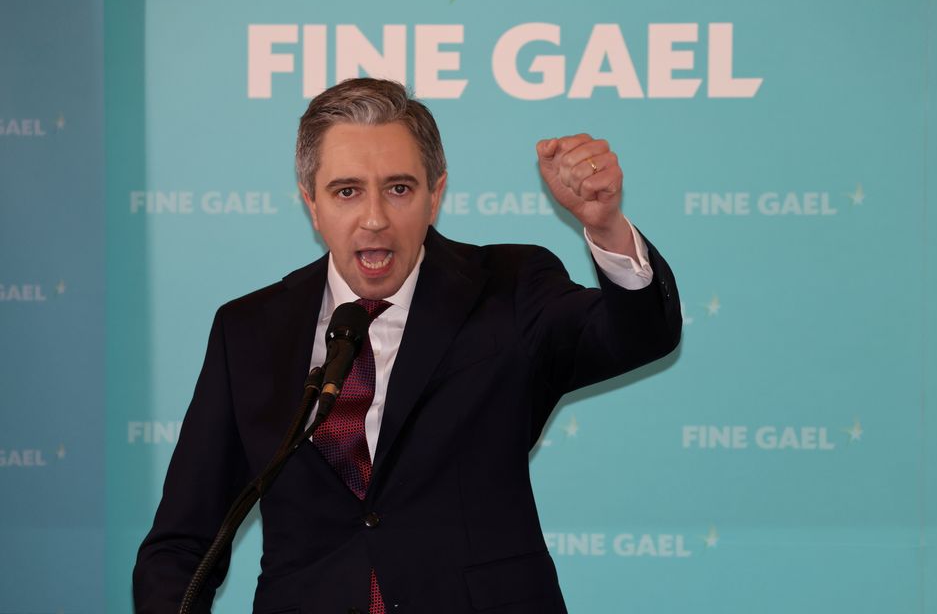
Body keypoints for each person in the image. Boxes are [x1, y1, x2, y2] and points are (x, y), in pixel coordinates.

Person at [133, 78, 681, 614]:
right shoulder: (248, 329)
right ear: (312, 203)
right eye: (347, 191)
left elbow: (637, 335)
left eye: (399, 189)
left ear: (434, 194)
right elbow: (186, 539)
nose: (375, 218)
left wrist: (605, 226)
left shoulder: (510, 288)